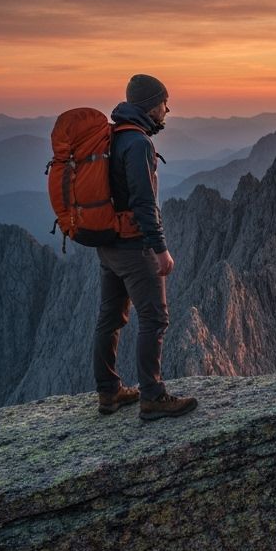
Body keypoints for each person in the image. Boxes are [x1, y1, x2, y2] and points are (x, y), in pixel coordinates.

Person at [93, 74, 197, 420]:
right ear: (152, 105)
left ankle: (108, 393)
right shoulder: (138, 143)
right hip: (134, 246)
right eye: (165, 103)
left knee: (110, 317)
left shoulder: (114, 135)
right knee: (154, 318)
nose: (168, 110)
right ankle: (152, 396)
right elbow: (143, 203)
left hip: (108, 244)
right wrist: (160, 248)